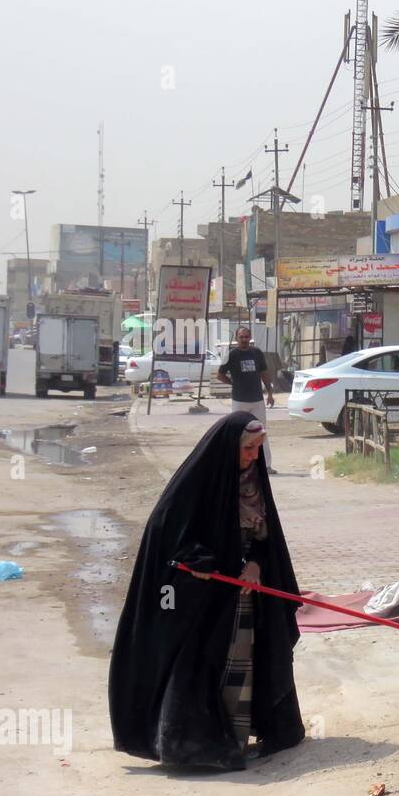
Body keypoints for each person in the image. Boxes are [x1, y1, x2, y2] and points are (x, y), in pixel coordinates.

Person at [108, 412, 304, 770]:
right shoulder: (199, 481)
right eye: (248, 449)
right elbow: (163, 530)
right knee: (202, 668)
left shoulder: (254, 483)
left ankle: (239, 736)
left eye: (259, 449)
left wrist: (257, 566)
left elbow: (265, 538)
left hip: (243, 594)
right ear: (229, 447)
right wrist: (198, 562)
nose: (253, 457)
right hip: (205, 599)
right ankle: (200, 745)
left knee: (243, 665)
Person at [217, 326, 276, 470]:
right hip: (239, 401)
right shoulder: (231, 355)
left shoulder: (257, 353)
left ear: (250, 338)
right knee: (238, 432)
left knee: (261, 432)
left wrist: (270, 393)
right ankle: (237, 463)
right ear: (237, 339)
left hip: (257, 400)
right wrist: (233, 383)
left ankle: (266, 466)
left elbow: (264, 373)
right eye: (241, 337)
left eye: (246, 337)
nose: (244, 340)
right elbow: (220, 375)